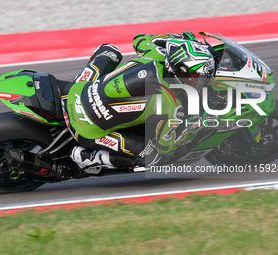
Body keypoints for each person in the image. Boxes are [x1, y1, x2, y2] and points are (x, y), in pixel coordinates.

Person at [61, 31, 215, 169]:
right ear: (179, 70)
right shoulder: (171, 105)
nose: (200, 82)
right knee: (154, 157)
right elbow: (165, 145)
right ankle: (91, 158)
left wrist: (171, 39)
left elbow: (139, 39)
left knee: (110, 50)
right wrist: (194, 126)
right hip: (85, 128)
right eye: (196, 77)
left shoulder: (155, 53)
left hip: (74, 91)